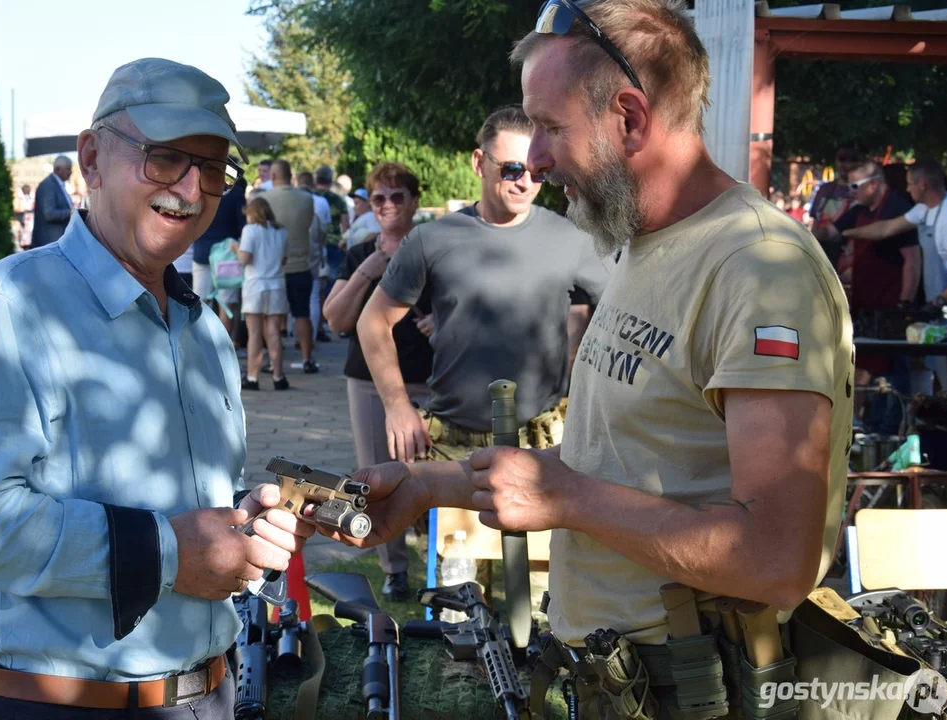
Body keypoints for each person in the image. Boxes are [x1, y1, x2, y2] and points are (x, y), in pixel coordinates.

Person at [338, 1, 854, 717]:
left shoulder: (758, 269)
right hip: (619, 678)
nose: (538, 163)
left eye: (549, 129)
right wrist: (427, 488)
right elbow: (608, 465)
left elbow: (776, 558)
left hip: (698, 689)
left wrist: (566, 500)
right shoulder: (643, 244)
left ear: (630, 118)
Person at [0, 57, 315, 720]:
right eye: (164, 158)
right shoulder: (7, 310)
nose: (192, 189)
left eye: (212, 168)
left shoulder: (204, 329)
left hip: (210, 693)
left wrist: (242, 527)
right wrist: (167, 550)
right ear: (92, 159)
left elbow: (185, 514)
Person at [357, 105, 609, 466]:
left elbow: (623, 314)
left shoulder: (573, 239)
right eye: (511, 169)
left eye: (538, 172)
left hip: (545, 445)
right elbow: (373, 321)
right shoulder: (431, 239)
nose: (524, 182)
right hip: (451, 444)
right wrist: (396, 406)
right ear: (479, 163)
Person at [322, 162, 434, 601]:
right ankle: (395, 569)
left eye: (397, 196)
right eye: (378, 198)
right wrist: (369, 270)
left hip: (429, 377)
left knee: (435, 473)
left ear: (414, 201)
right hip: (368, 381)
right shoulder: (358, 254)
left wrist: (439, 321)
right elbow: (336, 320)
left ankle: (442, 563)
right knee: (376, 476)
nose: (387, 205)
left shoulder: (433, 250)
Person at [844, 156, 947, 388]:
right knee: (941, 375)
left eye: (910, 183)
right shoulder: (923, 210)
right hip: (940, 309)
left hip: (946, 306)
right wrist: (846, 233)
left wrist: (940, 300)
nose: (907, 188)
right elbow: (886, 228)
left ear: (922, 184)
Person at [261, 161, 319, 373]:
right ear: (290, 175)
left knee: (272, 318)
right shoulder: (306, 199)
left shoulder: (263, 199)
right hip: (301, 265)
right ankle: (307, 358)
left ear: (274, 175)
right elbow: (308, 225)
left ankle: (273, 361)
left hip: (273, 269)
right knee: (302, 314)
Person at [238, 196, 290, 391]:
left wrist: (235, 248)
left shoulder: (250, 230)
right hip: (276, 284)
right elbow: (284, 259)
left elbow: (245, 258)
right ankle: (279, 377)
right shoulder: (281, 231)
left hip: (255, 285)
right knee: (274, 333)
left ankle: (252, 377)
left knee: (255, 334)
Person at [191, 179, 247, 343]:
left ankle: (202, 343)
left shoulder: (200, 190)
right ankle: (223, 344)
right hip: (227, 254)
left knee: (199, 302)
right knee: (227, 303)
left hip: (202, 251)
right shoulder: (237, 194)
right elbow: (241, 226)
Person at [809, 140, 864, 268]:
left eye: (853, 159)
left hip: (854, 259)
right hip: (824, 258)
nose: (847, 164)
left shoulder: (864, 190)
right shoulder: (824, 190)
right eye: (842, 158)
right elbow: (815, 224)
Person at [31, 155, 74, 248]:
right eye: (68, 169)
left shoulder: (58, 185)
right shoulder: (48, 185)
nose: (70, 172)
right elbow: (49, 214)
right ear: (58, 169)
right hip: (49, 242)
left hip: (57, 241)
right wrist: (72, 212)